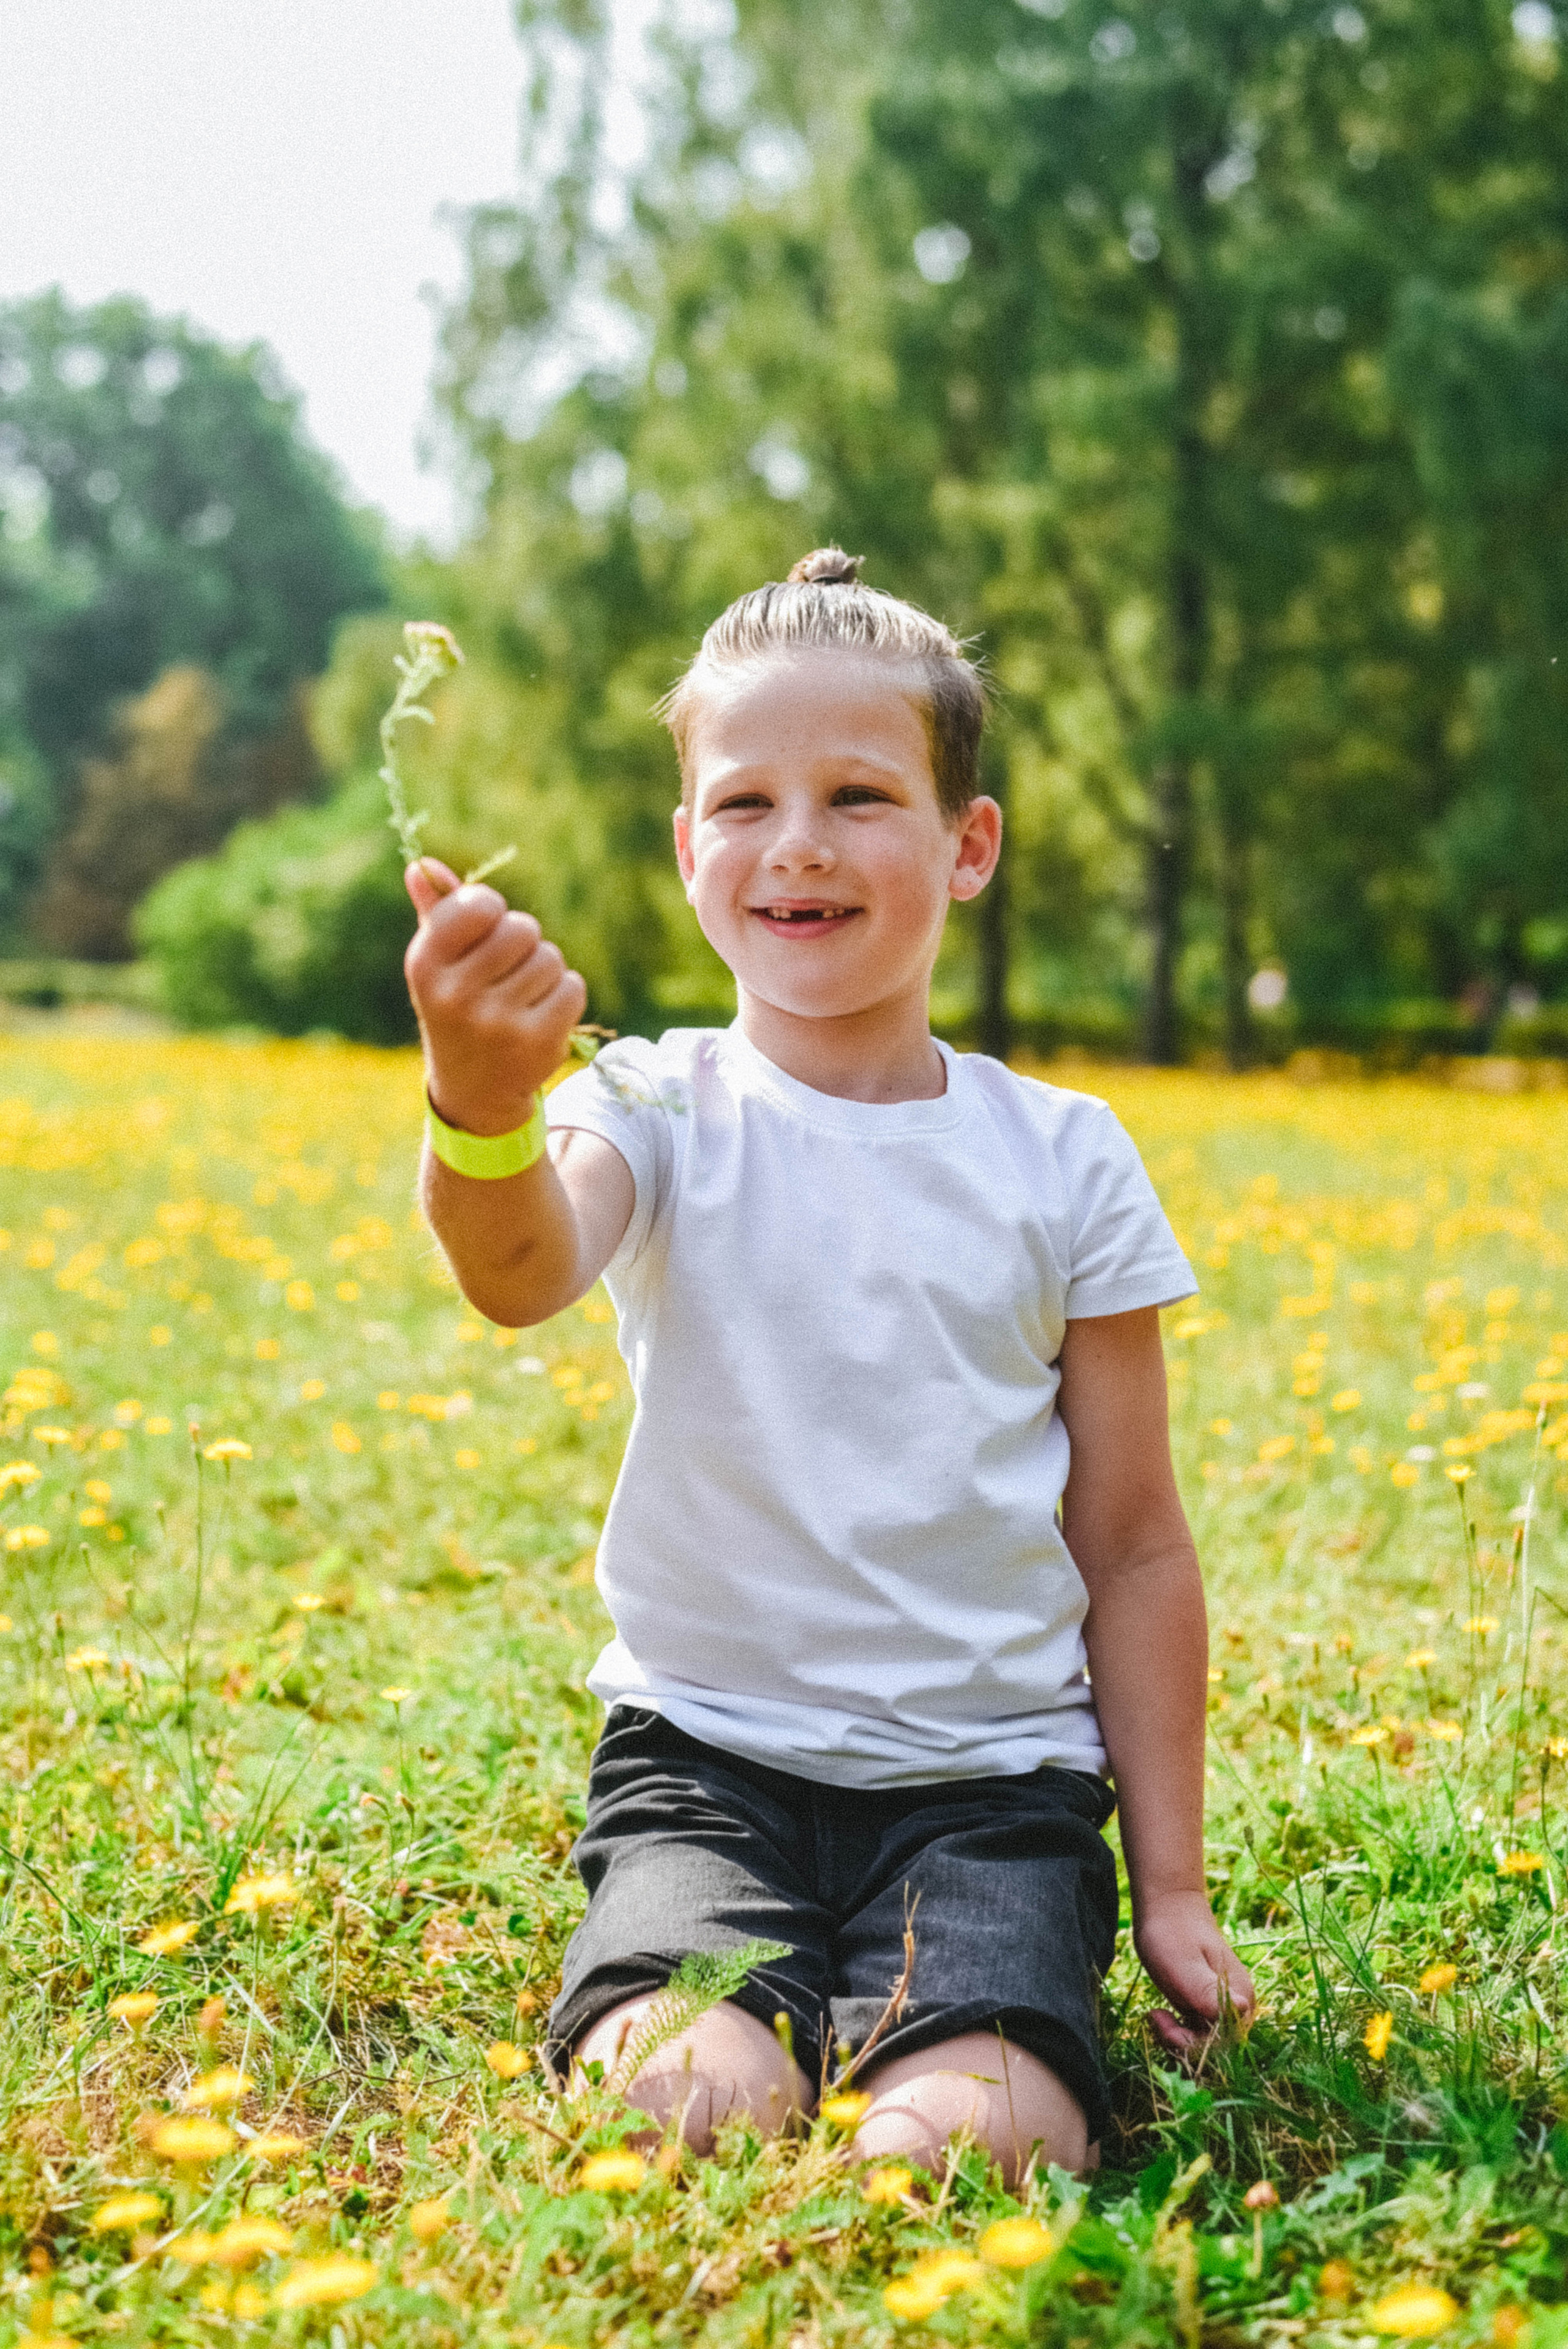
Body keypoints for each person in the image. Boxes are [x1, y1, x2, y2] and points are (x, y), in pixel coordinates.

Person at [402, 548, 1253, 2183]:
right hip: (706, 1770)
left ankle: (965, 2041)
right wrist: (480, 1109)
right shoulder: (648, 1103)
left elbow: (1136, 1538)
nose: (797, 842)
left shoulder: (1065, 1157)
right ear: (684, 846)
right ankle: (711, 2001)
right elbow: (518, 1270)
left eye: (861, 793)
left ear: (969, 842)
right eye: (744, 803)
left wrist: (1175, 1887)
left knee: (965, 2149)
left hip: (994, 1792)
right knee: (689, 2105)